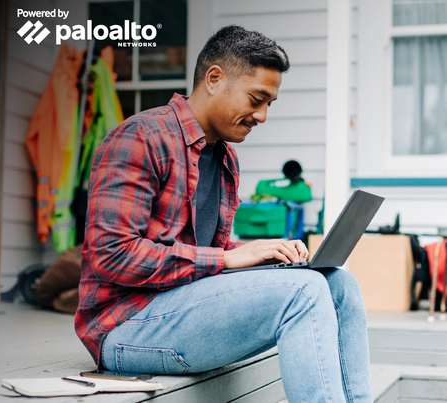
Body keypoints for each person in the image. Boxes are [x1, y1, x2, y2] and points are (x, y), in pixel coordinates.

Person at [75, 25, 373, 402]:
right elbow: (111, 255)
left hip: (183, 306)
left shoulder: (224, 157)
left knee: (338, 284)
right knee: (305, 291)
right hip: (124, 327)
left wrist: (259, 251)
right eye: (256, 98)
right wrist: (229, 257)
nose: (262, 116)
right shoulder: (140, 137)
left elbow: (202, 251)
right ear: (214, 78)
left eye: (269, 104)